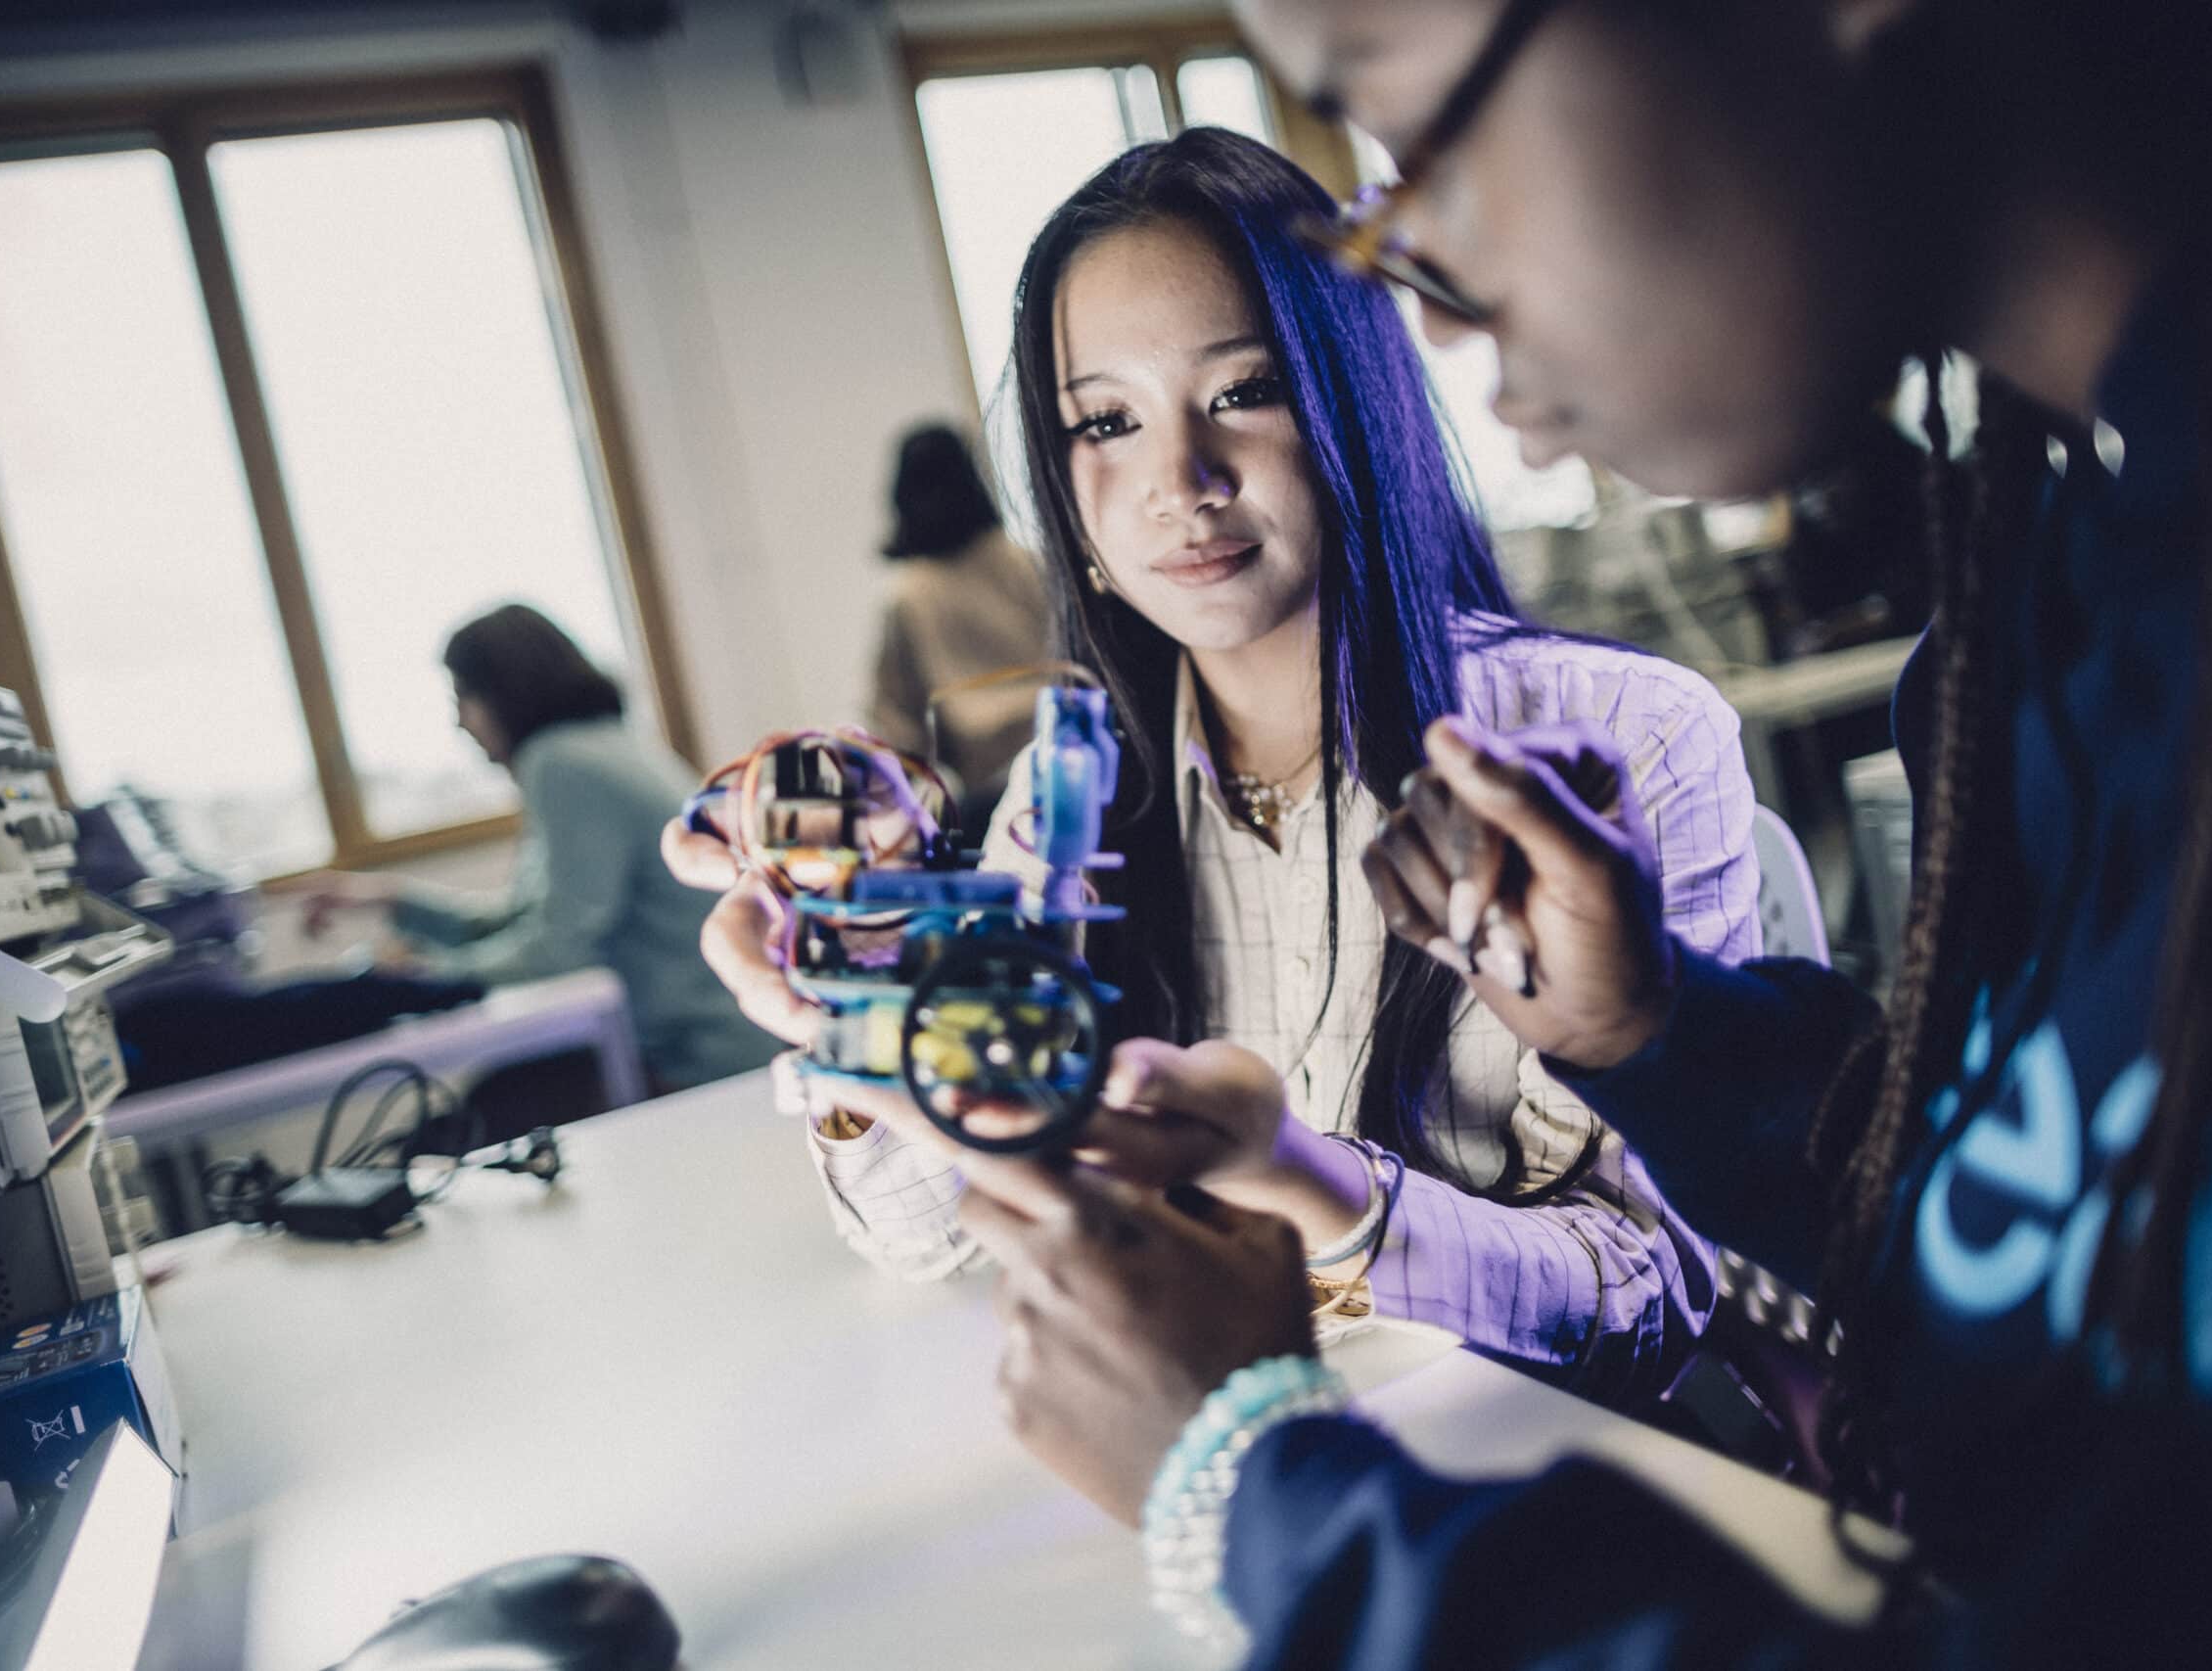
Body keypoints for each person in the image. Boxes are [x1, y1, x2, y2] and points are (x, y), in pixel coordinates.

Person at [954, 0, 2212, 1664]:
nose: (1409, 266)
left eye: (1407, 116)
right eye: (1101, 421)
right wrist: (1675, 1041)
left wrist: (1259, 1489)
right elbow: (2073, 1360)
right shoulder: (2047, 643)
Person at [672, 128, 1764, 1405]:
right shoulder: (1069, 795)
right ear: (1065, 507)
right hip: (1216, 1457)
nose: (1176, 482)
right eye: (1107, 421)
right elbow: (929, 1230)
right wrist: (859, 988)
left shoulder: (1620, 742)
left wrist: (1302, 1182)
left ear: (1353, 408)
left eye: (1242, 392)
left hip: (1549, 1480)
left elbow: (1656, 1290)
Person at [306, 604, 771, 1093]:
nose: (460, 722)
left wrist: (423, 979)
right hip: (723, 1038)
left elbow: (556, 951)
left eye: (463, 697)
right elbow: (525, 920)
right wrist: (390, 898)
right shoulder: (601, 745)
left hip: (698, 1057)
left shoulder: (563, 764)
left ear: (505, 691)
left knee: (488, 1108)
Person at [864, 422, 1052, 808]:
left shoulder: (908, 592)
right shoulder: (1025, 562)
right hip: (1060, 751)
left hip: (988, 781)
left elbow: (896, 718)